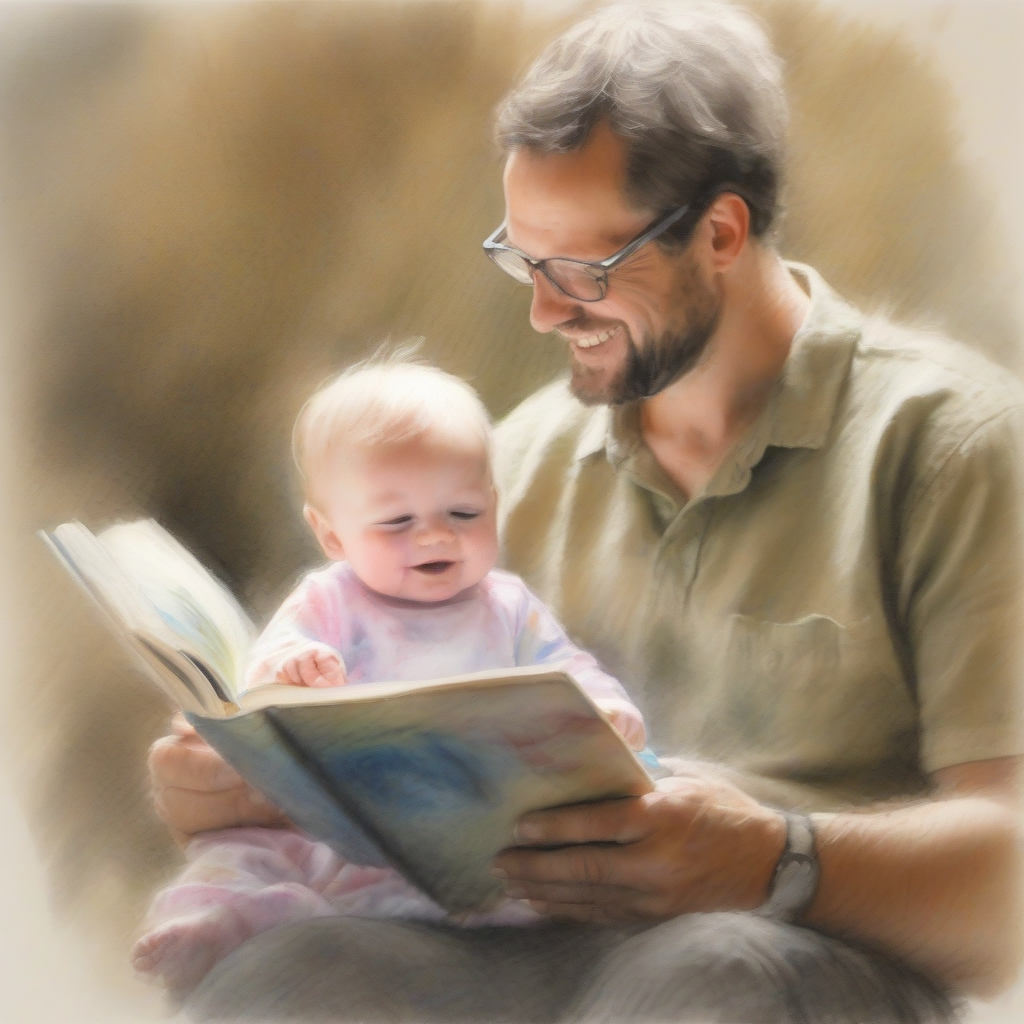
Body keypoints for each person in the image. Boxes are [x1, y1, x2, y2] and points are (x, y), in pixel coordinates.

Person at [148, 2, 1024, 1021]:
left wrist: (771, 858)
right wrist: (251, 777)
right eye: (524, 259)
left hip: (793, 952)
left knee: (709, 975)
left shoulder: (950, 449)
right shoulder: (503, 469)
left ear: (721, 233)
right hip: (520, 945)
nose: (544, 310)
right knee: (285, 980)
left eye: (583, 271)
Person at [131, 354, 647, 996]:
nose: (435, 537)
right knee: (241, 854)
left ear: (493, 501)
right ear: (333, 536)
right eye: (397, 522)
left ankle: (342, 920)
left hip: (471, 835)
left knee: (546, 872)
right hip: (339, 832)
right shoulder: (329, 601)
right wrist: (291, 671)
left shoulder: (508, 606)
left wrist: (602, 711)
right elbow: (267, 679)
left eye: (463, 513)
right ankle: (222, 918)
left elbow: (567, 669)